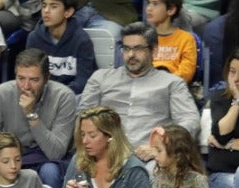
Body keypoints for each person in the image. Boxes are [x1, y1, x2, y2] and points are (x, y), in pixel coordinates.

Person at [0, 49, 77, 188]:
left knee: (50, 172)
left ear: (47, 78)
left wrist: (31, 115)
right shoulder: (2, 93)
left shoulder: (64, 97)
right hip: (7, 158)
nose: (26, 86)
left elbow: (56, 152)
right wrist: (3, 163)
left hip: (43, 160)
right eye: (21, 78)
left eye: (34, 80)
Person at [79, 25, 200, 162]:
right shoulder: (100, 78)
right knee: (78, 165)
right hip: (105, 154)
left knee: (156, 170)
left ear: (154, 51)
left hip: (149, 158)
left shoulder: (172, 83)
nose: (131, 55)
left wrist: (161, 147)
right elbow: (82, 116)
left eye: (138, 49)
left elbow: (190, 121)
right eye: (126, 49)